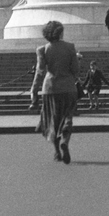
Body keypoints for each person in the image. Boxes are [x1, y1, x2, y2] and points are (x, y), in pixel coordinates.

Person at [31, 20, 80, 163]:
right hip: (68, 86)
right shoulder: (70, 47)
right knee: (67, 117)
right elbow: (75, 70)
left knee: (52, 121)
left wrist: (34, 91)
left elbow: (39, 72)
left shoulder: (42, 49)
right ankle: (65, 139)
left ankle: (57, 151)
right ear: (60, 32)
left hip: (50, 88)